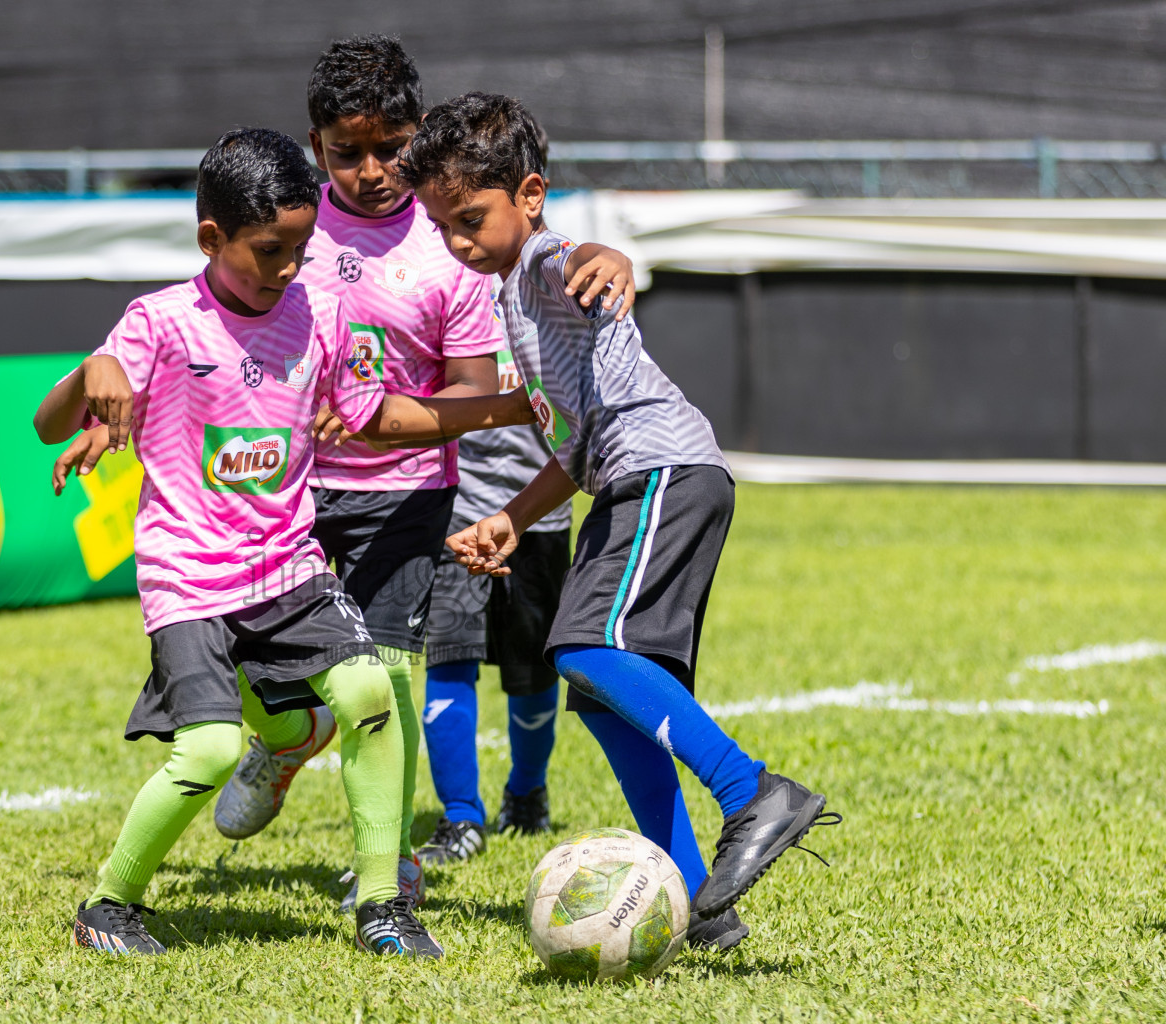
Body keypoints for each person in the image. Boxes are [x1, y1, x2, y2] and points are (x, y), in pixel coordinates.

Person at [35, 128, 529, 959]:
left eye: (302, 246)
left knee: (371, 692)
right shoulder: (158, 323)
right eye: (270, 250)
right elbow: (50, 425)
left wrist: (515, 405)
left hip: (287, 569)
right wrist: (92, 372)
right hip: (190, 578)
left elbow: (384, 419)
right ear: (211, 239)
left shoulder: (321, 313)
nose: (291, 266)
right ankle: (107, 907)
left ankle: (384, 904)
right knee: (212, 747)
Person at [207, 36, 638, 911]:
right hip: (279, 487)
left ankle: (390, 858)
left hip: (406, 491)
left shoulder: (451, 245)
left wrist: (387, 422)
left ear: (417, 132)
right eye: (346, 152)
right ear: (314, 143)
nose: (372, 170)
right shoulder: (287, 224)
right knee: (228, 651)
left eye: (390, 147)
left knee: (391, 671)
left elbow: (478, 391)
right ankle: (286, 737)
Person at [400, 93, 841, 946]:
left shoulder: (539, 263)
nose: (458, 240)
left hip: (662, 474)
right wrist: (512, 518)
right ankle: (698, 913)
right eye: (442, 226)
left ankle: (752, 792)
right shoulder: (507, 296)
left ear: (529, 194)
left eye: (470, 218)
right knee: (602, 697)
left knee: (582, 647)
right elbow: (573, 444)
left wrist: (611, 258)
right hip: (629, 479)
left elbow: (585, 255)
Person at [417, 324, 571, 864]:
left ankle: (527, 792)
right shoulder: (445, 295)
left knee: (532, 673)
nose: (464, 240)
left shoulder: (556, 294)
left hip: (542, 518)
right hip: (456, 513)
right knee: (449, 660)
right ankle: (461, 816)